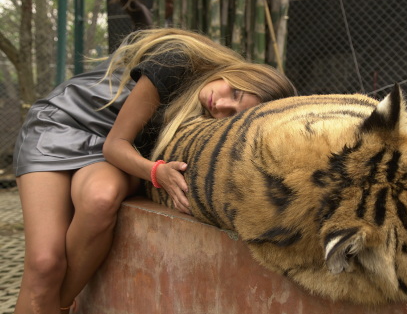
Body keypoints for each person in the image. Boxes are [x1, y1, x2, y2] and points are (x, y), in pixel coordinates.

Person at [12, 28, 297, 314]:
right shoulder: (178, 61)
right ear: (241, 73)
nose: (221, 105)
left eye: (234, 114)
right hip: (64, 125)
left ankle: (58, 304)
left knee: (100, 199)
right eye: (234, 92)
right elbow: (116, 144)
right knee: (45, 264)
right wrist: (156, 172)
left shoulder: (210, 121)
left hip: (108, 153)